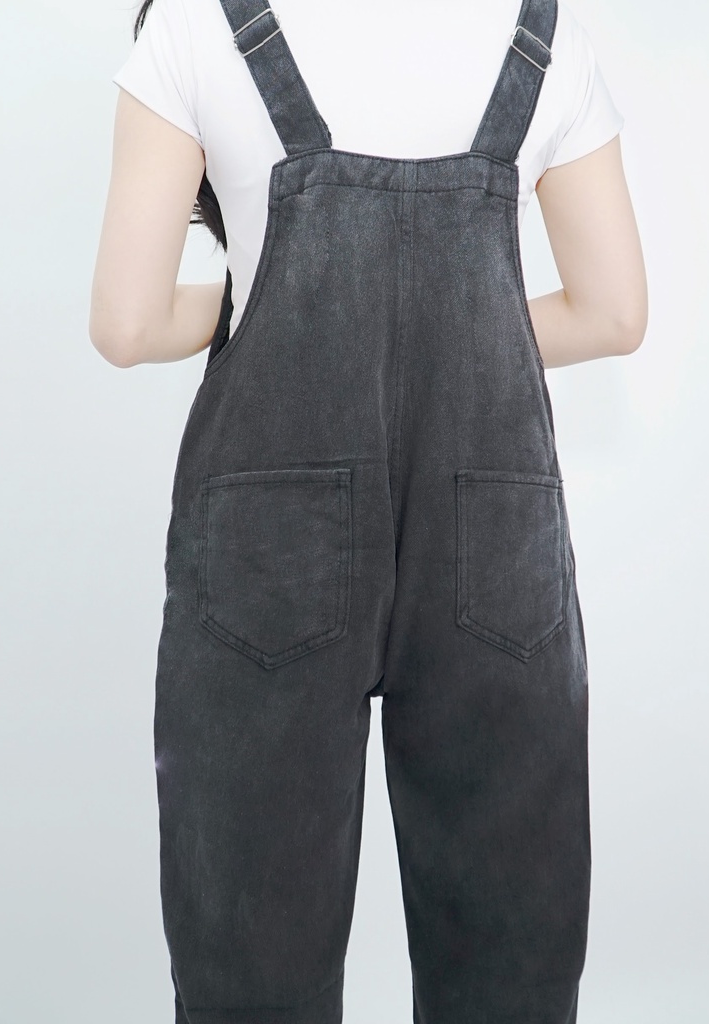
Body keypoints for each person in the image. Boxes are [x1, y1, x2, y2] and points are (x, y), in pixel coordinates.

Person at [90, 0, 647, 1021]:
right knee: (507, 968)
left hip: (269, 542)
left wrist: (256, 295)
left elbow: (126, 325)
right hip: (491, 536)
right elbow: (612, 311)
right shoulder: (541, 35)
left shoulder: (195, 28)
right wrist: (471, 320)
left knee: (251, 969)